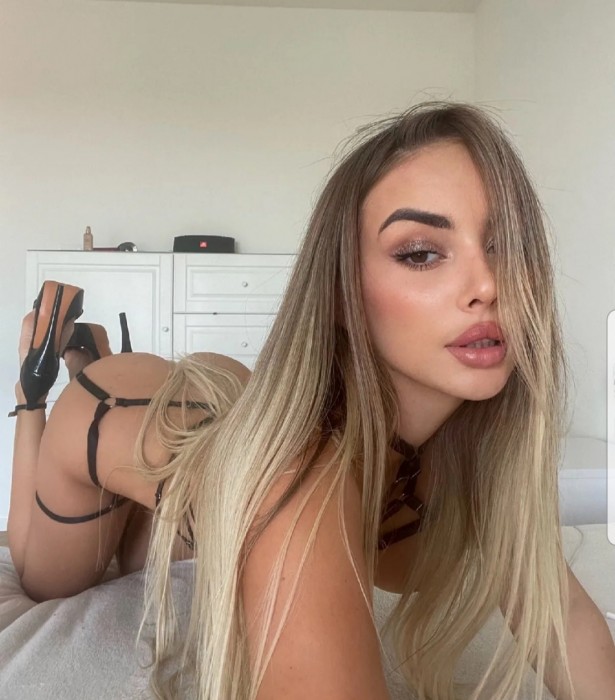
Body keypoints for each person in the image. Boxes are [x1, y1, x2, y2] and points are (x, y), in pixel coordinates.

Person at [7, 102, 615, 700]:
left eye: (507, 244)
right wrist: (50, 401)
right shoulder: (300, 485)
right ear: (341, 291)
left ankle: (94, 372)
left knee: (158, 543)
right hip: (109, 411)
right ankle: (41, 388)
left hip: (213, 429)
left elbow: (560, 616)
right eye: (421, 252)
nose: (488, 285)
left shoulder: (483, 467)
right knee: (49, 577)